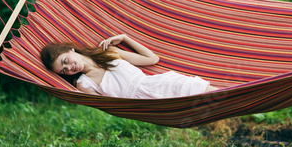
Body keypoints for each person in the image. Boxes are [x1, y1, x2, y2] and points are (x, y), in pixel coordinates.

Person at [40, 34, 218, 98]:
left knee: (221, 94)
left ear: (70, 50)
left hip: (160, 85)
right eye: (64, 71)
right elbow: (110, 107)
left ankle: (243, 95)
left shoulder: (108, 52)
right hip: (144, 106)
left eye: (65, 61)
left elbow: (152, 59)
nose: (69, 68)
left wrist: (125, 38)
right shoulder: (84, 84)